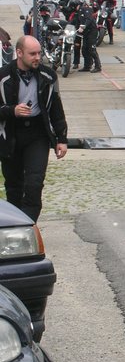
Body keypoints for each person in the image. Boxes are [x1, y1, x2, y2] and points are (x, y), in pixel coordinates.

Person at [0, 35, 68, 222]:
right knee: (14, 185)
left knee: (34, 183)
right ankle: (15, 226)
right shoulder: (3, 76)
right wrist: (12, 110)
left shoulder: (49, 76)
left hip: (38, 134)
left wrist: (61, 139)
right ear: (19, 53)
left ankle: (29, 224)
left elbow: (56, 108)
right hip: (10, 133)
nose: (38, 57)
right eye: (32, 54)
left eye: (39, 53)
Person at [73, 0, 102, 73]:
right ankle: (87, 66)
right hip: (86, 32)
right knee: (84, 49)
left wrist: (84, 26)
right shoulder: (78, 13)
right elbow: (76, 22)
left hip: (92, 31)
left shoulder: (86, 9)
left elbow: (89, 19)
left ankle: (98, 66)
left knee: (92, 49)